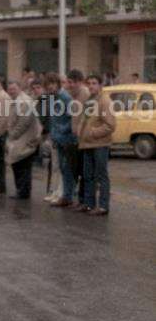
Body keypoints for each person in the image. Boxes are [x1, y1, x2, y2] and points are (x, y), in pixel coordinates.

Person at [77, 74, 116, 215]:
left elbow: (110, 125)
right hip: (87, 144)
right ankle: (88, 204)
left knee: (101, 175)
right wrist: (80, 132)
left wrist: (93, 133)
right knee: (88, 176)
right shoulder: (89, 100)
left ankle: (103, 206)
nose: (91, 86)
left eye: (94, 83)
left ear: (100, 85)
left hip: (100, 144)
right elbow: (85, 120)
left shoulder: (105, 101)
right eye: (89, 83)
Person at [6, 81, 42, 200]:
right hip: (19, 139)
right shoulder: (16, 101)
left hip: (24, 138)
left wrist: (13, 135)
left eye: (14, 89)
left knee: (22, 165)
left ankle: (23, 192)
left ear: (20, 88)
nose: (11, 91)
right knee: (18, 164)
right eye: (10, 89)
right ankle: (20, 190)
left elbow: (24, 122)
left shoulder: (24, 102)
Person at [45, 72, 76, 208]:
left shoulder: (65, 97)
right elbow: (53, 119)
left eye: (52, 84)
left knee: (67, 167)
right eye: (48, 85)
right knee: (61, 168)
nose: (50, 87)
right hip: (57, 138)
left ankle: (67, 195)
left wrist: (63, 130)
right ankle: (64, 194)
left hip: (66, 138)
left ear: (57, 84)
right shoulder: (52, 97)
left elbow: (72, 118)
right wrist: (53, 134)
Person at [66, 69, 90, 209]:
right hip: (75, 137)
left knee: (83, 170)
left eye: (71, 82)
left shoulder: (85, 94)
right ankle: (81, 199)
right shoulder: (73, 95)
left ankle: (84, 200)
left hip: (83, 138)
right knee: (76, 169)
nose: (69, 85)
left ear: (78, 82)